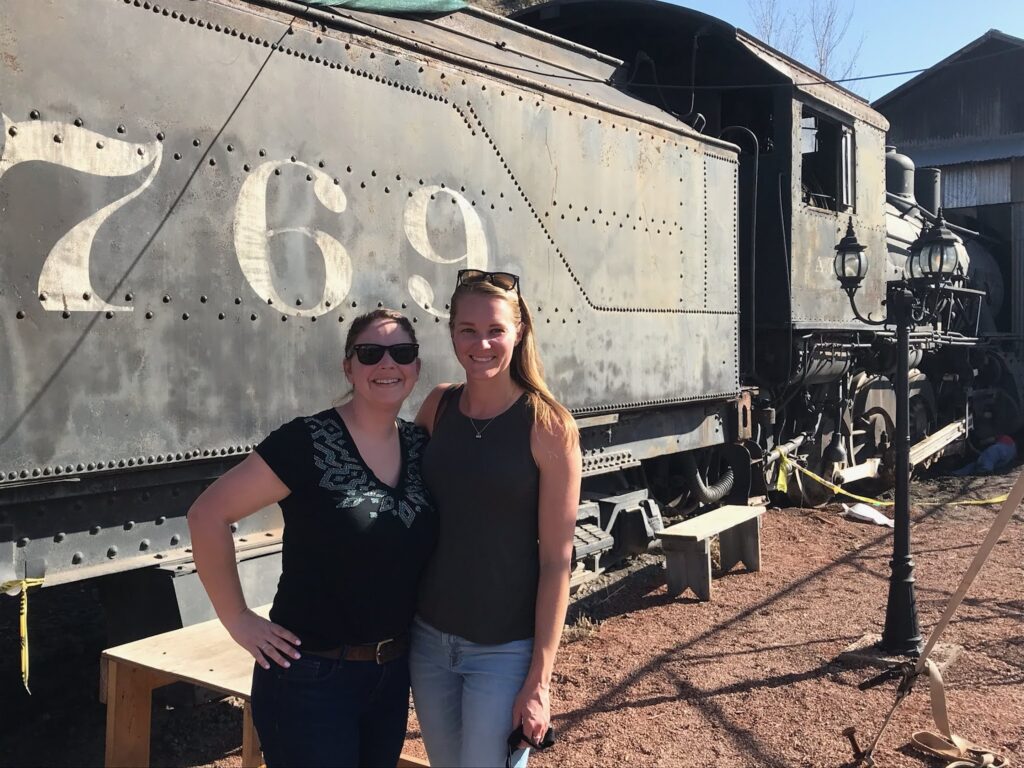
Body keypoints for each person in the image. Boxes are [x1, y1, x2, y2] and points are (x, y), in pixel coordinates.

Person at [187, 309, 436, 768]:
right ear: (348, 366)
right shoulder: (307, 441)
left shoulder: (419, 447)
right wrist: (238, 618)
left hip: (389, 675)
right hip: (311, 678)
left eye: (402, 353)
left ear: (416, 367)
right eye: (369, 353)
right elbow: (207, 514)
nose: (387, 364)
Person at [410, 269, 582, 768]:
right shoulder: (437, 407)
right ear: (452, 333)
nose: (481, 343)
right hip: (428, 642)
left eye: (495, 330)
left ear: (519, 331)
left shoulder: (548, 426)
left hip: (504, 651)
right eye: (467, 330)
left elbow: (556, 562)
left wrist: (539, 682)